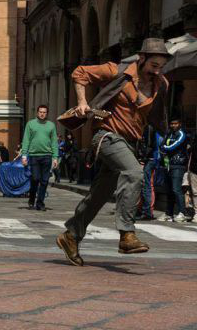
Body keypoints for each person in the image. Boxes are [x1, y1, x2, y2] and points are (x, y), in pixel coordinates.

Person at [57, 38, 170, 266]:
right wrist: (82, 101)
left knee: (98, 195)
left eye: (160, 67)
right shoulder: (117, 71)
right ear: (141, 59)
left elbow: (155, 115)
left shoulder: (161, 85)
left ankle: (71, 235)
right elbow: (80, 73)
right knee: (134, 173)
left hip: (129, 143)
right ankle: (127, 234)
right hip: (107, 137)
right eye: (153, 66)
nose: (156, 71)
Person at [21, 105, 58, 211]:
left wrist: (55, 157)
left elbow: (54, 142)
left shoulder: (51, 125)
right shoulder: (30, 124)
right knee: (35, 178)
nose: (42, 114)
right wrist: (24, 155)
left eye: (44, 112)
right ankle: (32, 198)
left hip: (47, 155)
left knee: (45, 181)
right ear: (37, 113)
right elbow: (26, 140)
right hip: (34, 156)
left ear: (47, 113)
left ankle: (40, 203)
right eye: (40, 112)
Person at [159, 118, 190, 222]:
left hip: (178, 165)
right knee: (169, 190)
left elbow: (172, 147)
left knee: (176, 189)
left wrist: (165, 147)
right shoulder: (169, 133)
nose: (173, 125)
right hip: (168, 164)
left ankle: (183, 213)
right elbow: (161, 145)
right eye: (171, 123)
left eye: (175, 123)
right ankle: (169, 213)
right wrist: (164, 147)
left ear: (179, 124)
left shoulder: (181, 134)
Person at [138, 125, 162, 221]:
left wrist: (143, 157)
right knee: (146, 186)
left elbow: (148, 145)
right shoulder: (149, 128)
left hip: (149, 160)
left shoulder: (148, 128)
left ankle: (147, 212)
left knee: (147, 186)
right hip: (150, 159)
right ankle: (146, 211)